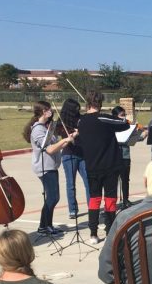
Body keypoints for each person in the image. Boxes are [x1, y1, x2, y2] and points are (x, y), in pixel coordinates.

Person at [76, 92, 130, 244]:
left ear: (88, 103)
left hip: (91, 166)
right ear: (99, 104)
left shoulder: (81, 121)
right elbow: (124, 124)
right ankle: (110, 231)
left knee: (94, 199)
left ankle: (93, 233)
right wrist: (123, 118)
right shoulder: (103, 117)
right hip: (109, 165)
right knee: (110, 199)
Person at [23, 101, 77, 236]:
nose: (51, 111)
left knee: (53, 197)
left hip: (51, 166)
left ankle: (48, 225)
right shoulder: (38, 130)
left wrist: (68, 139)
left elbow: (56, 146)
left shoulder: (46, 127)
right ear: (42, 112)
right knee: (52, 197)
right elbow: (51, 150)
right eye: (48, 109)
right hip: (45, 168)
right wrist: (65, 141)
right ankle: (43, 227)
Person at [112, 105, 147, 210]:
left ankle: (126, 200)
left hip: (125, 156)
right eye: (122, 115)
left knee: (125, 179)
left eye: (124, 115)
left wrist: (142, 133)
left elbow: (133, 139)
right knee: (113, 181)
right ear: (115, 116)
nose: (124, 118)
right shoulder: (110, 127)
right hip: (114, 156)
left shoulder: (127, 125)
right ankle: (112, 201)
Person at [59, 98, 90, 219]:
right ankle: (72, 209)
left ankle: (91, 206)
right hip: (69, 154)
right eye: (76, 109)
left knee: (89, 181)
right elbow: (63, 136)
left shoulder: (81, 119)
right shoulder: (62, 121)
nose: (78, 110)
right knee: (71, 183)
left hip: (82, 154)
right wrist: (74, 134)